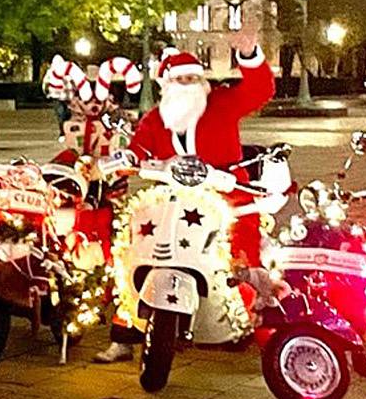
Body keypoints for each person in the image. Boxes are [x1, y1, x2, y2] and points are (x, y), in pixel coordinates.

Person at [94, 21, 274, 363]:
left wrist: (248, 55)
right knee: (134, 250)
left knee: (239, 253)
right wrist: (127, 159)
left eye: (192, 78)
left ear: (202, 82)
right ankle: (125, 334)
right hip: (172, 199)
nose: (186, 85)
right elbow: (138, 151)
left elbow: (260, 90)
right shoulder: (154, 120)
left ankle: (247, 319)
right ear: (167, 85)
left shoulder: (222, 103)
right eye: (179, 80)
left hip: (226, 196)